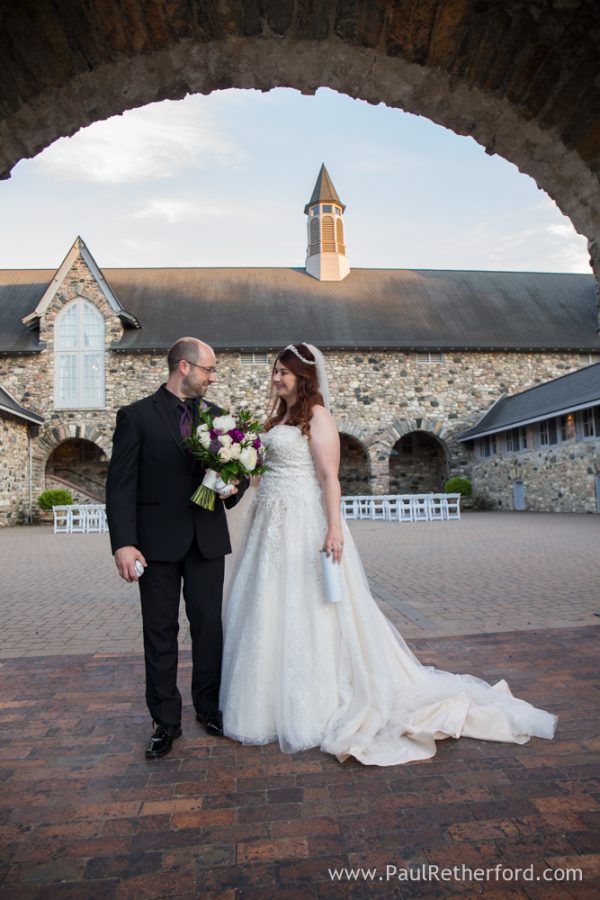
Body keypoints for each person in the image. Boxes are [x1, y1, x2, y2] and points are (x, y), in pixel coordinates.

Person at [219, 343, 557, 766]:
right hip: (269, 523)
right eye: (274, 371)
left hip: (303, 522)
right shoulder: (276, 420)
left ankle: (312, 704)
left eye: (283, 372)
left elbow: (329, 477)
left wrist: (334, 528)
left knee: (308, 607)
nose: (275, 378)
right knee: (267, 605)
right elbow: (261, 476)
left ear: (303, 376)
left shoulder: (318, 416)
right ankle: (264, 702)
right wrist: (234, 479)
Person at [106, 337, 246, 759]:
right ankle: (165, 722)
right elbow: (120, 486)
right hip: (155, 544)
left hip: (207, 540)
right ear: (184, 366)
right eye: (209, 369)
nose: (213, 377)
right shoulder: (135, 417)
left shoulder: (219, 418)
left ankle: (209, 708)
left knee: (208, 628)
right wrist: (123, 543)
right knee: (159, 632)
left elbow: (236, 476)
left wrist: (232, 488)